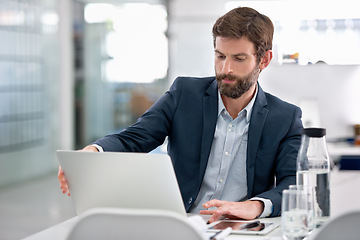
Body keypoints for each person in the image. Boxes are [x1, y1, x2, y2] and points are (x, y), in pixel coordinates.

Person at [58, 7, 302, 223]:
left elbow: (292, 183)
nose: (226, 68)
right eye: (220, 56)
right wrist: (94, 152)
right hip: (183, 225)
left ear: (264, 60)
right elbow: (134, 138)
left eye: (239, 59)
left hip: (241, 229)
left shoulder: (285, 118)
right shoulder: (184, 94)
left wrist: (254, 206)